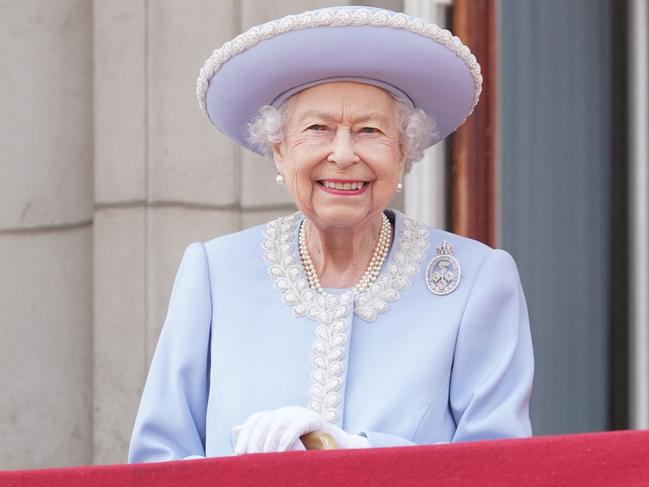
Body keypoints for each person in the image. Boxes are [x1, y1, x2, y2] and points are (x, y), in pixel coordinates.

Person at [128, 5, 534, 462]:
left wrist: (356, 452)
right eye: (318, 129)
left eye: (369, 131)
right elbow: (157, 459)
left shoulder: (477, 280)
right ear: (279, 151)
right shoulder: (214, 273)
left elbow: (500, 464)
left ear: (403, 153)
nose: (343, 154)